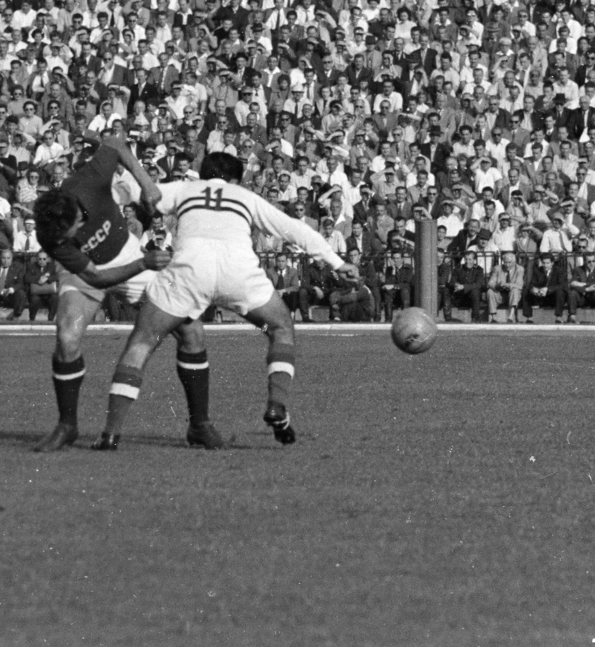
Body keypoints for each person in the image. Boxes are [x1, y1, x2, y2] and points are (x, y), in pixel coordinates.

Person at [91, 151, 357, 450]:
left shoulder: (183, 188)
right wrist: (336, 262)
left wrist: (102, 190)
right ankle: (277, 404)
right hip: (238, 271)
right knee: (281, 327)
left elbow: (134, 191)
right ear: (235, 179)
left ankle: (111, 433)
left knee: (141, 341)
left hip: (189, 270)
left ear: (203, 174)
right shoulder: (244, 195)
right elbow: (294, 229)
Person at [30, 134, 198, 452]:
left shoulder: (89, 178)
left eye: (74, 230)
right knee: (66, 336)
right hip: (95, 271)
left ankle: (200, 425)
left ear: (75, 212)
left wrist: (147, 182)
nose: (74, 236)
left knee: (190, 329)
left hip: (125, 252)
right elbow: (95, 277)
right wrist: (143, 263)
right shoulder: (52, 235)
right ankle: (67, 426)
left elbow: (116, 144)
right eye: (68, 236)